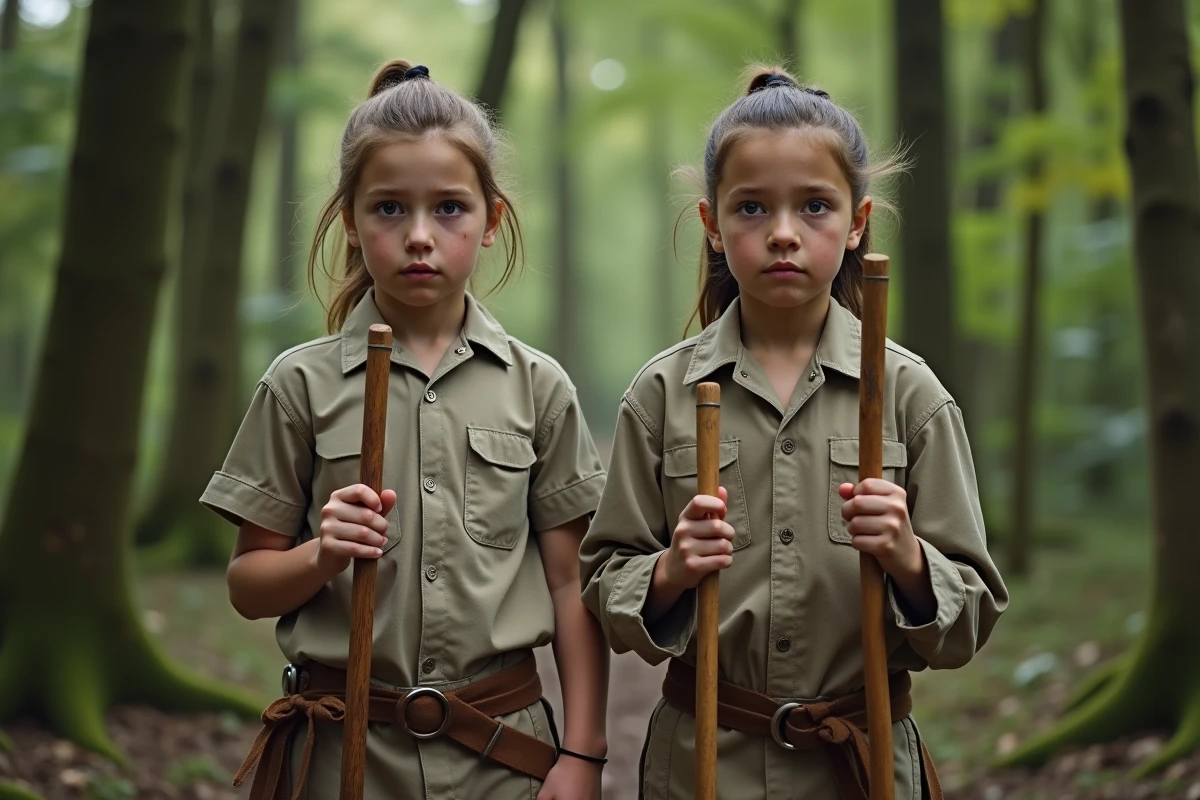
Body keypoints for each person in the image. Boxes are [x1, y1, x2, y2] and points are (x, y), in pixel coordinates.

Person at [579, 66, 1008, 799]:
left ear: (859, 221)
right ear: (712, 224)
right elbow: (602, 580)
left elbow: (970, 615)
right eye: (751, 208)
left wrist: (908, 557)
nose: (782, 234)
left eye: (814, 206)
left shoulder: (910, 396)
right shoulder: (662, 395)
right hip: (702, 767)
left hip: (862, 769)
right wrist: (670, 571)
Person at [202, 60, 609, 800]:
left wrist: (582, 754)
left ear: (493, 222)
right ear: (350, 223)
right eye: (389, 209)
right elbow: (248, 585)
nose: (420, 235)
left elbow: (569, 583)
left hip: (502, 759)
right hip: (340, 757)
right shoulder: (300, 385)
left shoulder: (537, 387)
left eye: (450, 208)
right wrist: (323, 555)